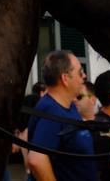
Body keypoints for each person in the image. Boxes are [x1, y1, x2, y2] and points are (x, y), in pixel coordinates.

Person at [27, 50, 98, 181]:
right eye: (80, 72)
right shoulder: (51, 109)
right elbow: (36, 159)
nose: (84, 76)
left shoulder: (68, 104)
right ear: (65, 78)